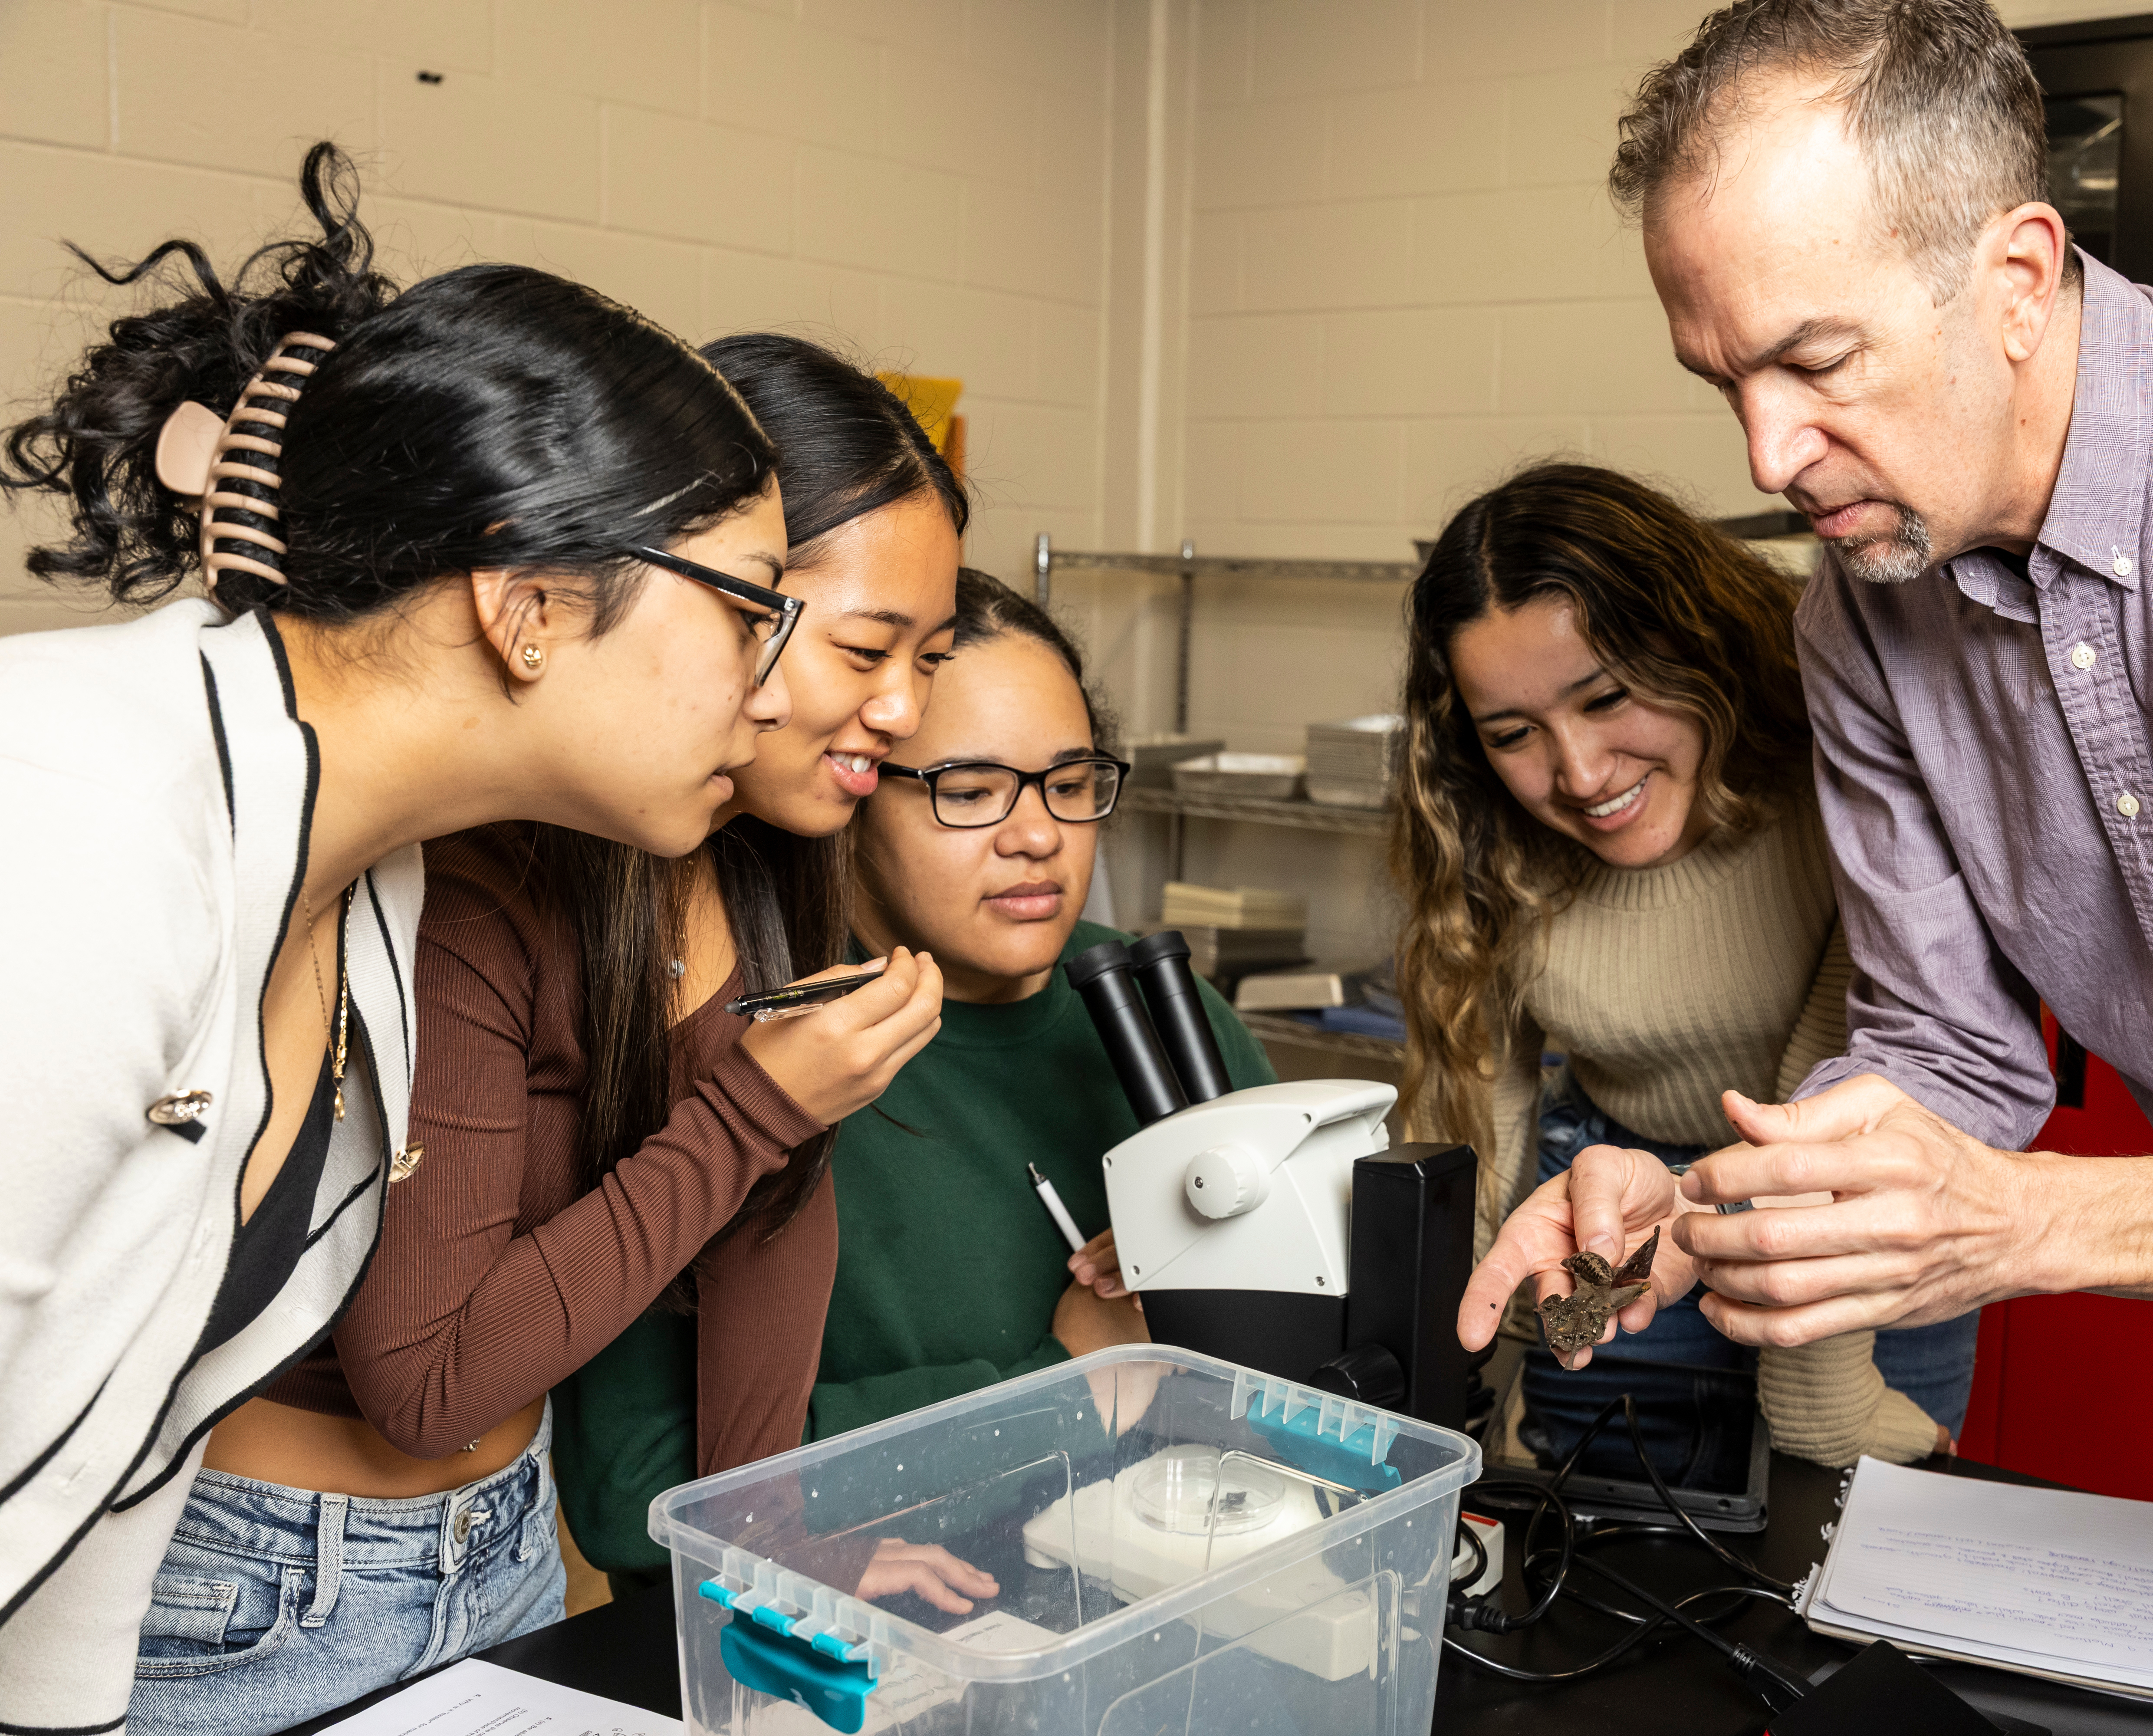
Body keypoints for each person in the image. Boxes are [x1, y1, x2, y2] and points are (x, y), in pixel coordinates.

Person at [1463, 0, 2153, 1628]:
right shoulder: (1861, 614)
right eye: (1724, 379)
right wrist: (1717, 1197)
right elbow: (1949, 1052)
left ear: (2013, 277)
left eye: (1816, 360)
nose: (1771, 452)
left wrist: (2024, 1222)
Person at [0, 144, 799, 1726]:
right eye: (748, 610)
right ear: (531, 608)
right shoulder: (77, 812)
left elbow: (124, 1433)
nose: (773, 692)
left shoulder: (374, 886)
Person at [117, 336, 967, 1730]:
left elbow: (768, 1214)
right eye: (866, 647)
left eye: (930, 656)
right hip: (271, 1581)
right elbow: (426, 1379)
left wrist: (773, 1550)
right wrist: (757, 1106)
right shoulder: (475, 883)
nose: (905, 709)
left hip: (508, 1539)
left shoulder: (753, 855)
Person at [556, 568, 1275, 1588]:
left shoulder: (1162, 1009)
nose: (1038, 835)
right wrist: (1064, 1384)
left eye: (1070, 784)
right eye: (971, 792)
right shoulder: (743, 1055)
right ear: (855, 789)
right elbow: (637, 1494)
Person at [1394, 461, 1965, 1486]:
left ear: (1698, 643)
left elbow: (1828, 1127)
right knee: (1596, 1567)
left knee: (1839, 1557)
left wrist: (1824, 1414)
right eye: (1513, 733)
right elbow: (1467, 1140)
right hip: (1618, 1205)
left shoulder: (1845, 778)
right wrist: (1442, 1398)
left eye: (1608, 696)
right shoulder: (1489, 839)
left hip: (1857, 1222)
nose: (1578, 772)